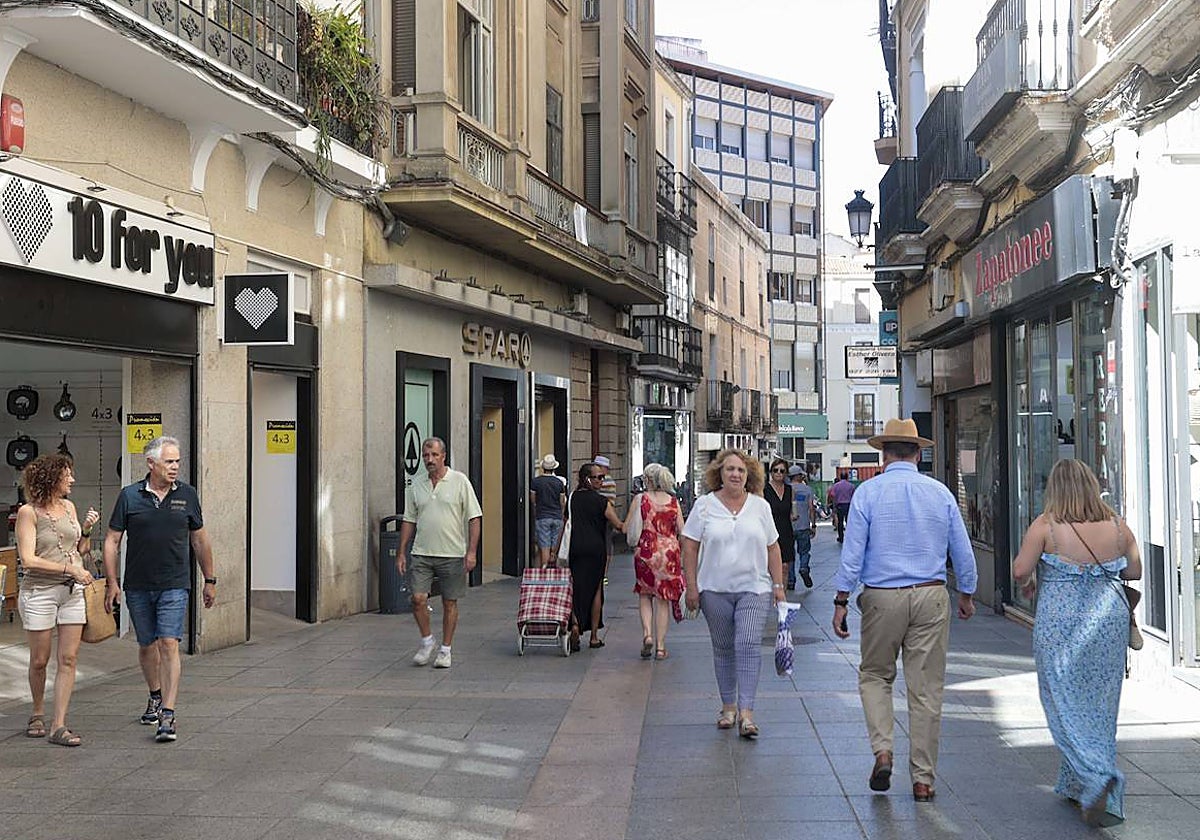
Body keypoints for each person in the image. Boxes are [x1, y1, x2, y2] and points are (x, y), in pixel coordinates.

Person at [831, 418, 976, 803]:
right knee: (926, 689)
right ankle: (924, 780)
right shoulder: (940, 492)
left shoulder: (868, 493)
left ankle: (883, 750)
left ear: (883, 452)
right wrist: (967, 592)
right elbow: (961, 549)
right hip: (930, 595)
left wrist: (842, 599)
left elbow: (853, 553)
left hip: (882, 595)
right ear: (918, 452)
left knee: (875, 676)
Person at [1012, 459, 1141, 826]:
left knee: (1062, 701)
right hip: (1107, 626)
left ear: (1055, 489)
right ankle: (1075, 784)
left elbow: (1020, 570)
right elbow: (1134, 571)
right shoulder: (1118, 526)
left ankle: (1100, 778)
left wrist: (1037, 571)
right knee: (1100, 705)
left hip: (1060, 625)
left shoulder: (1046, 526)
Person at [103, 436, 215, 743]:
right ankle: (154, 694)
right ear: (151, 463)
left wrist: (210, 578)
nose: (175, 467)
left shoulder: (188, 495)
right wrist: (111, 582)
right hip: (138, 585)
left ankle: (168, 713)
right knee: (146, 645)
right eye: (169, 461)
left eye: (177, 461)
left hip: (175, 584)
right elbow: (112, 541)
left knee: (169, 643)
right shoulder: (129, 496)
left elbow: (200, 539)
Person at [681, 448, 786, 739]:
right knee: (724, 648)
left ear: (749, 475)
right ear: (719, 474)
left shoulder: (760, 507)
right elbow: (689, 546)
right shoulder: (704, 506)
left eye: (741, 470)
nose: (735, 474)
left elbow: (772, 548)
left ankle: (747, 713)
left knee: (748, 643)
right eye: (730, 469)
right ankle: (728, 707)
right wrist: (691, 586)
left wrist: (778, 587)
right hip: (714, 589)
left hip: (754, 588)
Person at [14, 454, 99, 746]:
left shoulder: (69, 507)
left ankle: (58, 724)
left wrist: (87, 529)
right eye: (67, 475)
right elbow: (28, 559)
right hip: (40, 592)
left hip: (71, 592)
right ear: (52, 478)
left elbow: (80, 549)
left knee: (69, 658)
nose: (72, 480)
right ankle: (37, 711)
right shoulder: (29, 513)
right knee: (40, 660)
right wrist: (69, 569)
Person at [397, 437, 482, 670]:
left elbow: (474, 517)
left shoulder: (459, 481)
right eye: (426, 456)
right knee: (418, 599)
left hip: (452, 553)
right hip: (422, 552)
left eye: (434, 455)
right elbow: (409, 519)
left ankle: (445, 649)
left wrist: (472, 552)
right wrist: (401, 552)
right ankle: (427, 641)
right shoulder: (417, 483)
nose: (429, 460)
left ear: (443, 456)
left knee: (449, 602)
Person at [560, 462, 624, 651]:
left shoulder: (571, 498)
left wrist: (555, 551)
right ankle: (594, 637)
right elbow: (619, 525)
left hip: (575, 548)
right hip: (596, 550)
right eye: (598, 477)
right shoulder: (601, 502)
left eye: (602, 477)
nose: (601, 481)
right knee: (596, 589)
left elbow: (565, 525)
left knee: (575, 587)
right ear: (587, 478)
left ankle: (575, 624)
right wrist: (632, 520)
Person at [625, 463, 685, 660]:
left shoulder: (640, 500)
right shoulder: (673, 502)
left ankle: (648, 635)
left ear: (648, 479)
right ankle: (660, 647)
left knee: (644, 595)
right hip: (669, 554)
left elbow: (629, 528)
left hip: (646, 551)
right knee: (663, 600)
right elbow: (682, 530)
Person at [764, 458, 796, 595]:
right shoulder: (764, 489)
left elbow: (793, 508)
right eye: (775, 470)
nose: (778, 473)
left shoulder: (789, 490)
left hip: (786, 530)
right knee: (769, 566)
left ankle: (782, 595)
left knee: (785, 566)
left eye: (782, 471)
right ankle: (771, 591)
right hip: (769, 531)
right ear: (771, 472)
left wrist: (795, 515)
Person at [529, 454, 567, 568]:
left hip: (542, 516)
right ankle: (554, 568)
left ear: (543, 467)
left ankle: (545, 569)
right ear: (554, 468)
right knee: (554, 547)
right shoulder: (559, 483)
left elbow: (533, 499)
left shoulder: (536, 482)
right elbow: (562, 502)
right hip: (557, 517)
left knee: (544, 545)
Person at [789, 465, 816, 589]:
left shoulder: (786, 489)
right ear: (799, 476)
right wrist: (813, 524)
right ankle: (804, 567)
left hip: (789, 527)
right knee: (804, 551)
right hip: (804, 525)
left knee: (790, 555)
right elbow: (811, 508)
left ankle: (790, 580)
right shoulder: (807, 489)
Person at [593, 454, 618, 583]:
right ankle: (604, 574)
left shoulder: (599, 481)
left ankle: (598, 572)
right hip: (609, 517)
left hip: (599, 516)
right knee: (607, 544)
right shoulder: (612, 482)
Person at [829, 473, 856, 543]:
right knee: (849, 522)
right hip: (848, 505)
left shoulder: (836, 486)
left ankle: (841, 537)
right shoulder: (851, 486)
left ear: (840, 477)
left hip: (839, 505)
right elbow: (854, 497)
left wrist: (834, 506)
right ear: (847, 477)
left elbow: (833, 496)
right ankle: (850, 537)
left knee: (840, 522)